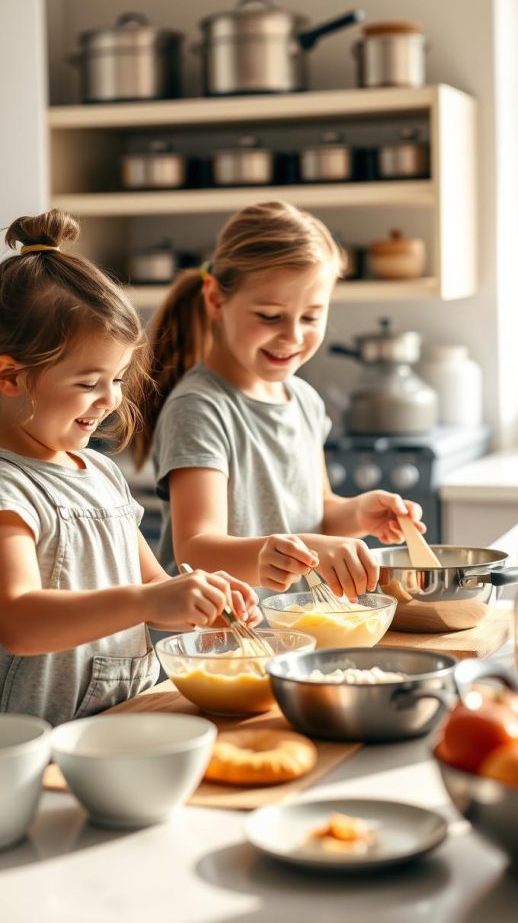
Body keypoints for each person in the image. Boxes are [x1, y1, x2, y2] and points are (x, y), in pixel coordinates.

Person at [0, 210, 260, 727]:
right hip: (42, 744)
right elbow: (19, 621)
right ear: (10, 375)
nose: (110, 400)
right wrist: (149, 599)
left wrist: (205, 600)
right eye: (87, 382)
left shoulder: (99, 471)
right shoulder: (10, 488)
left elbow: (158, 587)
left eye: (117, 378)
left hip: (127, 717)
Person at [134, 200, 425, 600]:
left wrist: (358, 513)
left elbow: (318, 509)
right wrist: (306, 549)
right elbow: (196, 549)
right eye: (270, 316)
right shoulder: (200, 409)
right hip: (223, 643)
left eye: (310, 317)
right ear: (215, 299)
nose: (292, 336)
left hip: (292, 637)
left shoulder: (304, 399)